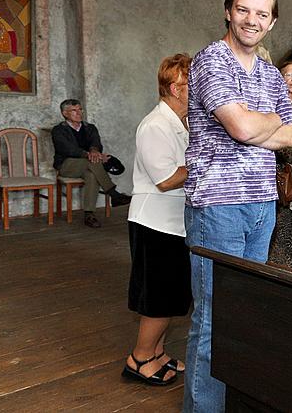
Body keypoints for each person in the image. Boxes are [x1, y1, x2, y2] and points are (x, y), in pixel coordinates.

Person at [183, 0, 292, 412]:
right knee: (213, 320)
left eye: (262, 13)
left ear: (272, 22)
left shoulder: (269, 72)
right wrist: (260, 122)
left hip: (262, 204)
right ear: (228, 12)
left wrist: (256, 123)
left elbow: (290, 137)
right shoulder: (211, 61)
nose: (252, 20)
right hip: (218, 207)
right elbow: (244, 127)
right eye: (244, 10)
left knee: (245, 315)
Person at [122, 53, 192, 387]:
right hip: (154, 223)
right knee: (158, 297)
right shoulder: (154, 124)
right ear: (177, 87)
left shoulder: (182, 122)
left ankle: (158, 353)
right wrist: (205, 164)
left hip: (173, 223)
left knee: (172, 294)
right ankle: (139, 358)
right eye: (193, 83)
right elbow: (165, 179)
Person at [52, 99, 132, 228]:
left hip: (88, 164)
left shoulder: (90, 128)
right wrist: (90, 155)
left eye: (80, 109)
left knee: (91, 175)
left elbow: (96, 143)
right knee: (92, 162)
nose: (79, 113)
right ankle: (114, 194)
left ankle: (89, 215)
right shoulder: (58, 130)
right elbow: (67, 149)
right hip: (66, 165)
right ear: (65, 113)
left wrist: (95, 151)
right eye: (74, 110)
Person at [268, 60, 292, 267]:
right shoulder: (271, 103)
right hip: (270, 173)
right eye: (288, 75)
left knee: (286, 230)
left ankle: (282, 269)